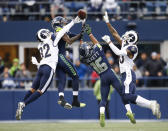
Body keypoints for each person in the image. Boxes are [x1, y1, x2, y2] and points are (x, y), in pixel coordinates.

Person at [15, 16, 82, 120]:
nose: (49, 32)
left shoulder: (40, 45)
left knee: (32, 89)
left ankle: (22, 102)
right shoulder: (52, 40)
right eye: (47, 32)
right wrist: (73, 22)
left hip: (41, 67)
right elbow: (62, 32)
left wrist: (37, 63)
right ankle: (24, 103)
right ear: (45, 35)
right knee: (41, 91)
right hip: (49, 68)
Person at [102, 11, 161, 124]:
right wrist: (108, 22)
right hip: (126, 74)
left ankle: (151, 104)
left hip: (128, 74)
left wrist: (109, 42)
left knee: (127, 96)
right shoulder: (126, 44)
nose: (125, 35)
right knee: (131, 98)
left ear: (132, 38)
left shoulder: (133, 48)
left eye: (128, 35)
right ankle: (151, 105)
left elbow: (119, 53)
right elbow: (115, 34)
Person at [79, 24, 123, 127]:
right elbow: (97, 43)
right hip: (109, 73)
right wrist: (89, 34)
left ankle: (101, 114)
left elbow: (83, 51)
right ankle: (129, 109)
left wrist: (81, 38)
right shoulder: (97, 51)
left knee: (103, 101)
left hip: (102, 77)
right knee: (123, 93)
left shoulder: (85, 60)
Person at [51, 16, 86, 109]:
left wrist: (82, 32)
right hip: (60, 56)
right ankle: (75, 101)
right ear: (58, 23)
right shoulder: (59, 30)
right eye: (63, 22)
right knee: (75, 76)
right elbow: (69, 41)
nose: (64, 23)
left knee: (62, 79)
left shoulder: (61, 30)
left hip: (56, 59)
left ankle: (61, 98)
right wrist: (80, 35)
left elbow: (75, 36)